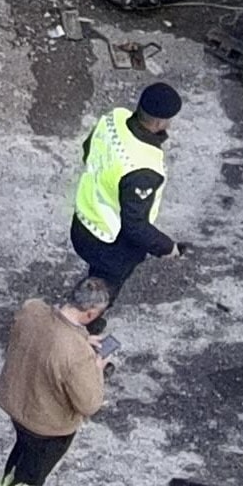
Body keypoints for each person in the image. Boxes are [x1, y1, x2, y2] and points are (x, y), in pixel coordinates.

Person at [0, 278, 110, 486]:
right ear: (91, 314)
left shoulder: (33, 311)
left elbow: (46, 337)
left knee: (19, 458)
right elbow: (89, 403)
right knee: (31, 478)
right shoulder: (76, 355)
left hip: (18, 404)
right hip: (47, 425)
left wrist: (81, 339)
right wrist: (97, 367)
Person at [69, 82, 184, 320]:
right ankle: (83, 330)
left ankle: (77, 312)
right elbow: (135, 226)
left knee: (94, 278)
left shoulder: (114, 118)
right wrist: (166, 247)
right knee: (101, 296)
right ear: (161, 122)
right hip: (110, 243)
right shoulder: (144, 166)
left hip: (82, 221)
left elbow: (88, 148)